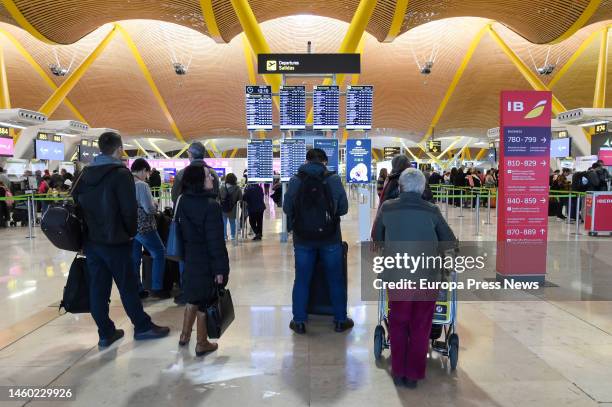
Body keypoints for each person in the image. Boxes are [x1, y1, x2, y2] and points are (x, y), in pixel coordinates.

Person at [72, 131, 169, 348]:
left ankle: (105, 332)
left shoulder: (84, 174)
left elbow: (76, 203)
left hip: (92, 242)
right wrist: (130, 232)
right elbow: (128, 210)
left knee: (98, 288)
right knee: (128, 286)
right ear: (119, 149)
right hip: (116, 240)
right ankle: (142, 327)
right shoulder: (120, 174)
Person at [372, 168, 457, 388]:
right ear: (422, 188)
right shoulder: (431, 210)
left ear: (400, 186)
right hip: (427, 276)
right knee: (421, 326)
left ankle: (398, 372)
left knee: (398, 323)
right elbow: (449, 240)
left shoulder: (387, 208)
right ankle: (414, 375)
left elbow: (376, 236)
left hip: (397, 275)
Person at [283, 148, 352, 334]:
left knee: (302, 280)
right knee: (335, 279)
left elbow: (287, 208)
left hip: (303, 239)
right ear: (324, 161)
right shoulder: (333, 179)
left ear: (306, 161)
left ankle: (299, 321)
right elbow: (344, 208)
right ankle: (339, 320)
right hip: (330, 238)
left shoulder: (296, 180)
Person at [176, 165, 229, 356]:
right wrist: (220, 270)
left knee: (192, 296)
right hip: (206, 261)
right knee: (206, 300)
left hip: (190, 258)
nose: (212, 179)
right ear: (199, 180)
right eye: (208, 176)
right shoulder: (211, 206)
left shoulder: (183, 201)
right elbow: (215, 243)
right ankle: (202, 342)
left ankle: (184, 335)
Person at [130, 158, 168, 299]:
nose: (147, 176)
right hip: (144, 226)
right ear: (143, 170)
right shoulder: (142, 185)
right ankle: (157, 287)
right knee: (159, 252)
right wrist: (156, 204)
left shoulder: (125, 182)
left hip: (131, 226)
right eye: (147, 173)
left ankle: (137, 289)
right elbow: (149, 209)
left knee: (134, 258)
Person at [219, 172, 242, 241]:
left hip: (223, 208)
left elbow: (218, 198)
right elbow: (240, 199)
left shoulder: (222, 188)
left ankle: (224, 237)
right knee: (232, 222)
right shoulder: (237, 188)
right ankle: (232, 236)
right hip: (233, 208)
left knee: (224, 223)